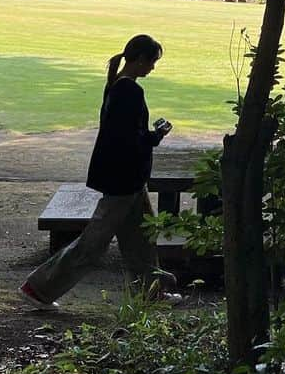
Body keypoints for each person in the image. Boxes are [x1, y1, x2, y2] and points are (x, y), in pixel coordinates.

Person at [19, 33, 173, 309]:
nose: (153, 68)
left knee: (142, 240)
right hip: (124, 180)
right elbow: (129, 139)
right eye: (151, 62)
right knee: (92, 244)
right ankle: (38, 288)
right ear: (138, 60)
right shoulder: (130, 91)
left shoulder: (116, 85)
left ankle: (152, 292)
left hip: (127, 179)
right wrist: (156, 136)